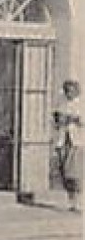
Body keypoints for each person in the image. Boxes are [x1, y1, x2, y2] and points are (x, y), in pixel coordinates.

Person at [54, 79, 82, 213]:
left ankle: (76, 202)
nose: (68, 93)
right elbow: (56, 118)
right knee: (63, 171)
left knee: (74, 172)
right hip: (62, 139)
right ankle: (70, 199)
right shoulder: (61, 102)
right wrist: (61, 119)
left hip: (75, 140)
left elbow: (80, 120)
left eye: (71, 91)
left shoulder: (80, 103)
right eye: (67, 91)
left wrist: (72, 118)